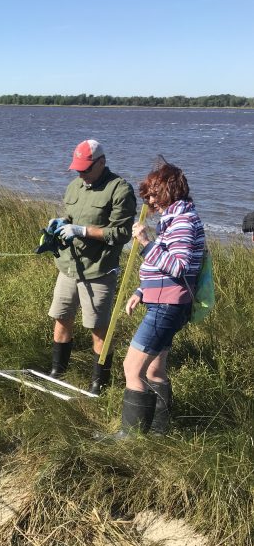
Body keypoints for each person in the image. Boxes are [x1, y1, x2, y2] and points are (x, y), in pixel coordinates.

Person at [112, 160, 205, 438]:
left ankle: (129, 438)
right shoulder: (174, 219)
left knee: (132, 369)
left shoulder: (184, 220)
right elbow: (162, 269)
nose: (150, 200)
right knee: (154, 369)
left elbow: (179, 267)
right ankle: (157, 433)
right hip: (165, 302)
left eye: (154, 193)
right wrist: (141, 292)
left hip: (168, 306)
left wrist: (145, 243)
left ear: (170, 190)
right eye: (147, 195)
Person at [47, 139, 137, 394]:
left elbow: (121, 233)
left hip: (98, 270)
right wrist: (61, 223)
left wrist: (82, 231)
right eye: (77, 169)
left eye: (86, 169)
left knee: (99, 328)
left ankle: (99, 383)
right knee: (62, 317)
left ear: (101, 162)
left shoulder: (119, 190)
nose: (81, 174)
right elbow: (72, 217)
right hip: (69, 266)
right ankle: (57, 371)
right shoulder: (74, 186)